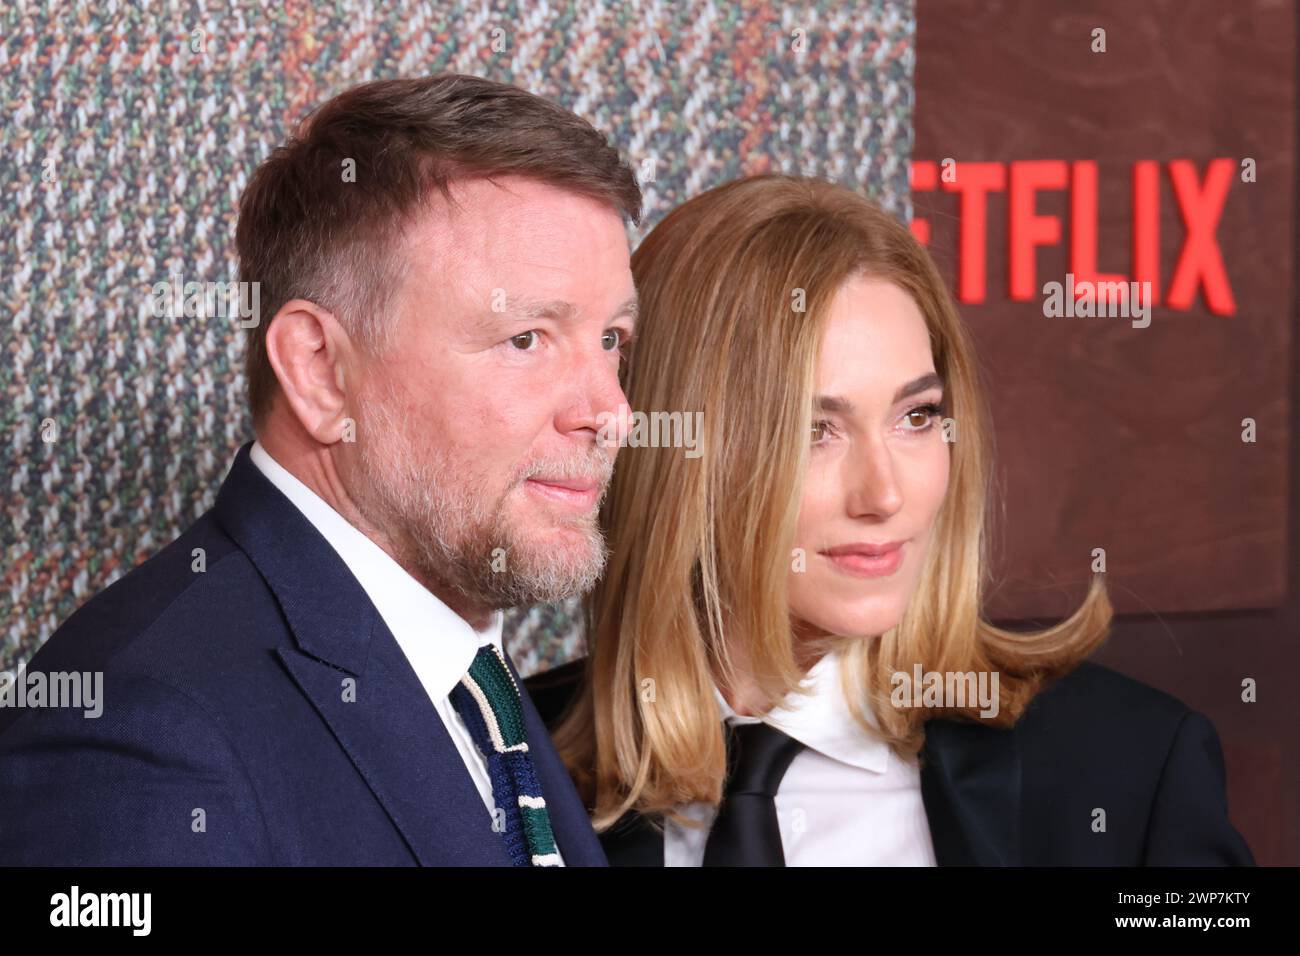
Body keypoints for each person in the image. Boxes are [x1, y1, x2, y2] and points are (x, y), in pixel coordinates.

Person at [0, 74, 641, 866]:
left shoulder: (475, 677)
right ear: (319, 371)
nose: (611, 412)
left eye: (612, 339)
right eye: (526, 339)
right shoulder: (143, 738)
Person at [524, 174, 1254, 866]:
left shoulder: (1125, 765)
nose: (885, 495)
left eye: (916, 416)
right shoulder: (506, 763)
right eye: (814, 431)